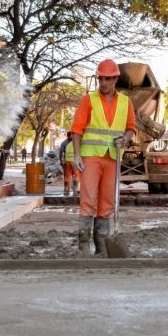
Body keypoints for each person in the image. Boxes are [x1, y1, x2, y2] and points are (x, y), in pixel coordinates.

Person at [71, 59, 136, 257]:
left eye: (108, 79)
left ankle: (101, 246)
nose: (104, 83)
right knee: (88, 199)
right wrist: (76, 155)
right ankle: (84, 246)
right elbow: (77, 129)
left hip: (113, 157)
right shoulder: (88, 100)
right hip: (91, 157)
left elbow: (130, 128)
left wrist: (124, 139)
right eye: (101, 78)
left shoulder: (126, 102)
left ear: (116, 78)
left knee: (106, 203)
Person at [59, 131, 79, 196]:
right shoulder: (75, 143)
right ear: (68, 136)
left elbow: (62, 152)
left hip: (67, 161)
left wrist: (63, 161)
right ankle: (76, 191)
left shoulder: (67, 145)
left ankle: (66, 191)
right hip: (74, 162)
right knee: (77, 175)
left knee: (67, 176)